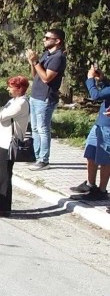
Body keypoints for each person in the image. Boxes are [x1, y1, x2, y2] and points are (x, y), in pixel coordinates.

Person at [0, 76, 30, 217]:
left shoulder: (20, 104)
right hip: (2, 140)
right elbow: (2, 116)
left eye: (11, 86)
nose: (8, 89)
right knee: (1, 173)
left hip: (8, 142)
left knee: (3, 175)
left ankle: (2, 207)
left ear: (19, 88)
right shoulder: (14, 101)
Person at [25, 27, 67, 171]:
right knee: (35, 128)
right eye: (44, 37)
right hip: (35, 95)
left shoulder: (58, 57)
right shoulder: (46, 54)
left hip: (46, 98)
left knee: (43, 129)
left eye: (47, 38)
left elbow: (46, 78)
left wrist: (36, 62)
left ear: (57, 41)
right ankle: (37, 157)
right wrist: (32, 62)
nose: (44, 40)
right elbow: (35, 75)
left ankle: (44, 160)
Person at [69, 66, 110, 201]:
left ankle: (102, 191)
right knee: (90, 152)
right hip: (100, 123)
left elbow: (96, 95)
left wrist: (90, 79)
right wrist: (103, 79)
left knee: (105, 159)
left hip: (108, 127)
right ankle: (90, 185)